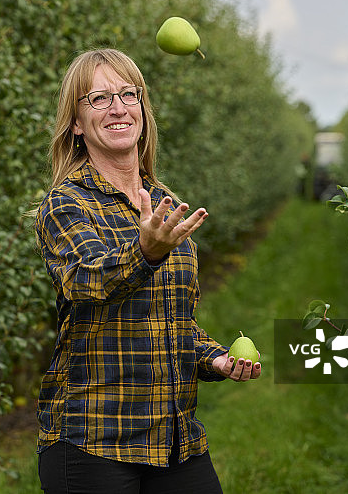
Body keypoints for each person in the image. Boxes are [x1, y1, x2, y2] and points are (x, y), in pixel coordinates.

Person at [34, 48, 262, 494]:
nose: (118, 107)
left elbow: (170, 320)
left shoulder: (162, 202)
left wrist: (212, 357)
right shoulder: (65, 204)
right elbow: (88, 281)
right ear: (77, 123)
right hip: (93, 441)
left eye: (127, 94)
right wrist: (146, 252)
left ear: (142, 108)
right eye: (98, 99)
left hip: (174, 440)